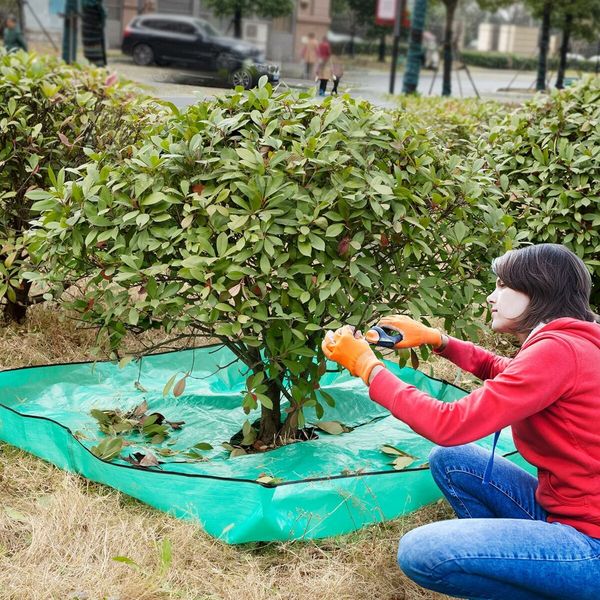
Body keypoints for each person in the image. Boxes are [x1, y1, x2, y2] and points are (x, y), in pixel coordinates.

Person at [322, 243, 600, 599]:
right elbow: (508, 372)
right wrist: (438, 339)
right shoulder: (576, 339)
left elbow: (448, 424)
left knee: (423, 551)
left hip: (589, 543)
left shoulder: (559, 350)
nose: (490, 297)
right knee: (453, 463)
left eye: (502, 285)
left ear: (537, 290)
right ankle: (523, 565)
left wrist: (368, 367)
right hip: (565, 512)